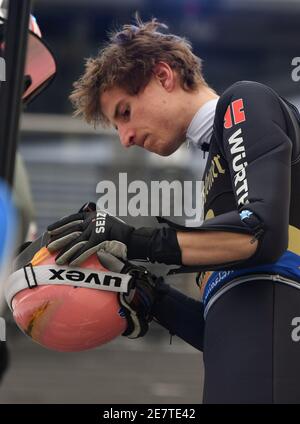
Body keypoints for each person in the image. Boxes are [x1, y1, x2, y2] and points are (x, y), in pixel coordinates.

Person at [46, 17, 300, 404]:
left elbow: (260, 233)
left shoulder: (243, 102)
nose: (126, 138)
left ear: (163, 75)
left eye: (125, 113)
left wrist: (130, 239)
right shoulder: (215, 177)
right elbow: (222, 329)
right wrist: (146, 292)